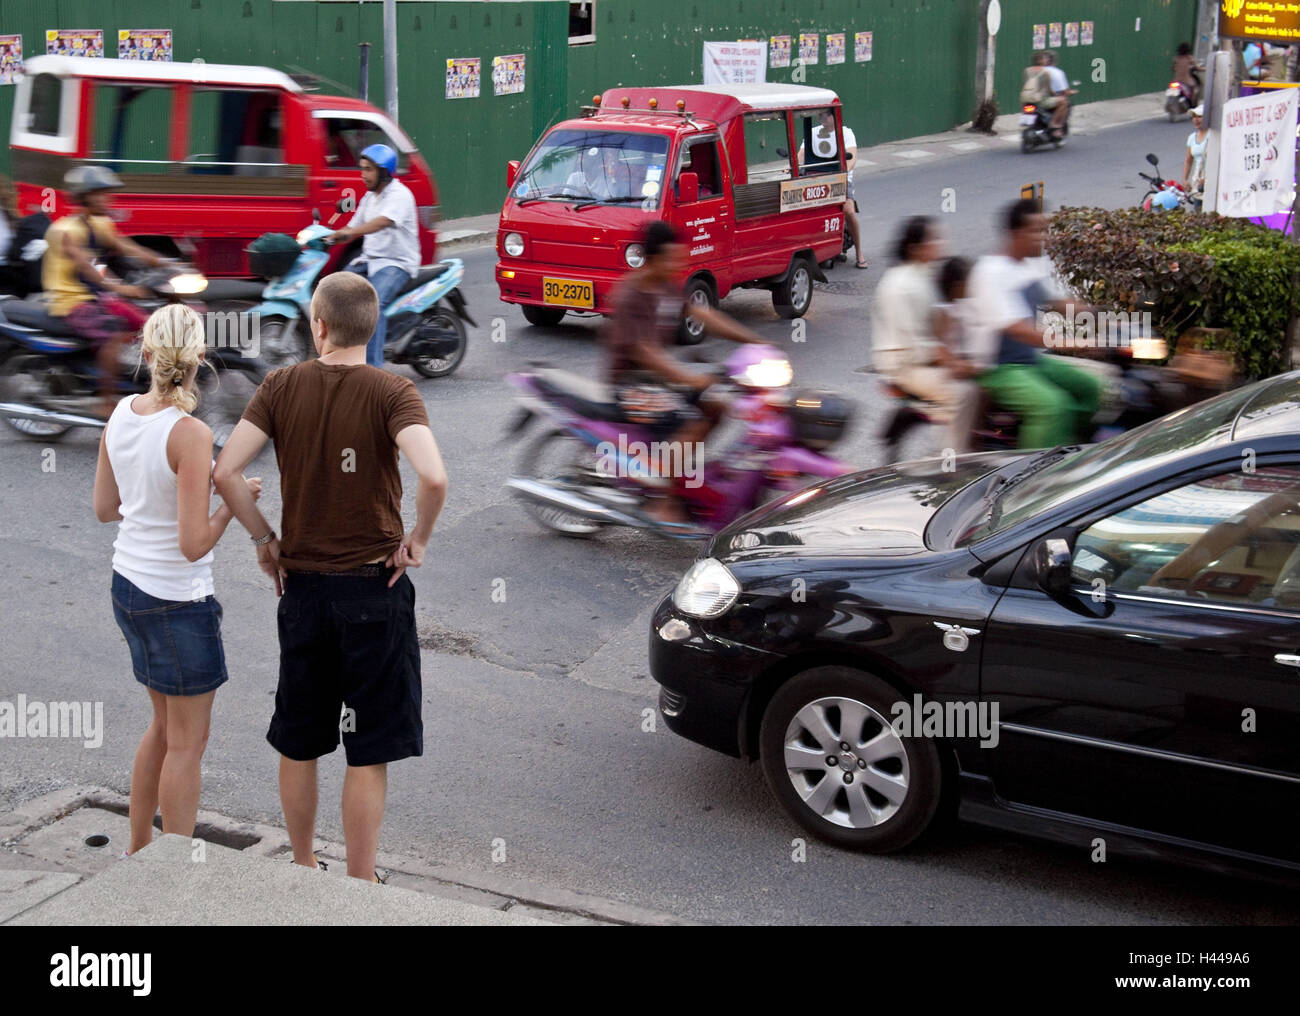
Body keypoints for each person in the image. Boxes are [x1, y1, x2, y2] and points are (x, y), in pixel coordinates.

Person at [212, 271, 448, 882]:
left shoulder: (281, 385)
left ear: (318, 325)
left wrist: (266, 541)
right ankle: (361, 881)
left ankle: (300, 862)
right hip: (376, 590)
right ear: (371, 328)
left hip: (305, 591)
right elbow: (434, 476)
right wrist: (417, 539)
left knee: (301, 737)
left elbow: (227, 472)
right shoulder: (394, 393)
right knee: (368, 748)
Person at [94, 305, 262, 857]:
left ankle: (140, 848)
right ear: (200, 359)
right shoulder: (188, 433)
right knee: (188, 744)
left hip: (128, 587)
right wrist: (233, 506)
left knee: (162, 729)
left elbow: (104, 507)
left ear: (145, 355)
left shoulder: (120, 413)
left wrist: (161, 501)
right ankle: (172, 872)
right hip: (175, 601)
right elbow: (192, 545)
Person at [603, 221, 768, 528]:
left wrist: (754, 341)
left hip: (658, 382)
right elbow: (644, 353)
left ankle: (677, 471)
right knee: (692, 423)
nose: (677, 265)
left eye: (680, 258)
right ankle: (663, 501)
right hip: (631, 386)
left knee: (717, 406)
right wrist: (689, 378)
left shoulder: (664, 285)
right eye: (671, 259)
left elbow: (702, 315)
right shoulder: (632, 295)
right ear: (651, 260)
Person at [965, 199, 1102, 450]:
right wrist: (1070, 343)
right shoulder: (990, 272)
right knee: (1053, 406)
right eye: (1035, 231)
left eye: (1044, 230)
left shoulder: (1030, 265)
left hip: (1031, 362)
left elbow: (1059, 302)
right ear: (1015, 233)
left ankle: (1071, 448)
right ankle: (1029, 473)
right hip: (999, 369)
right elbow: (1018, 329)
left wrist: (1102, 315)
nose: (1042, 237)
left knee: (1090, 388)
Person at [44, 166, 165, 416]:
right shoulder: (65, 230)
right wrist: (124, 288)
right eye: (99, 193)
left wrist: (166, 263)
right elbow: (90, 267)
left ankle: (141, 381)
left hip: (97, 296)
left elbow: (125, 245)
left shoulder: (100, 224)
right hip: (72, 300)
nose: (106, 199)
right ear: (83, 196)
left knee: (149, 323)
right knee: (113, 334)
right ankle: (106, 402)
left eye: (107, 193)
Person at [871, 217, 979, 454]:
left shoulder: (926, 275)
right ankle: (955, 462)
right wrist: (951, 362)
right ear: (915, 248)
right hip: (906, 365)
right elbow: (912, 344)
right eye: (934, 239)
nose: (941, 245)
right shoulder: (899, 285)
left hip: (930, 358)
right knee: (966, 393)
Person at [324, 143, 419, 369]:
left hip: (396, 264)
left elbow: (382, 222)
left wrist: (351, 232)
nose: (363, 175)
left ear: (384, 172)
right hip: (370, 261)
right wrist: (330, 236)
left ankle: (373, 368)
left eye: (369, 169)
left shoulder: (399, 195)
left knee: (372, 305)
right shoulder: (369, 197)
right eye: (362, 168)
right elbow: (353, 226)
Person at [799, 110, 867, 269]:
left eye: (825, 114)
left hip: (840, 178)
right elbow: (801, 154)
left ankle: (859, 253)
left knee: (848, 211)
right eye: (819, 115)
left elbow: (852, 155)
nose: (821, 118)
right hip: (816, 177)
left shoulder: (845, 132)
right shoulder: (813, 132)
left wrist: (844, 172)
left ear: (833, 116)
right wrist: (794, 166)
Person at [1042, 51, 1077, 135]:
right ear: (1054, 61)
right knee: (1065, 103)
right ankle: (1055, 126)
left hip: (1033, 99)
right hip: (1046, 100)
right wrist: (1071, 92)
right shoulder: (1057, 72)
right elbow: (1065, 91)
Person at [1182, 106, 1209, 209]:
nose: (1196, 120)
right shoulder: (1192, 138)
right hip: (1197, 183)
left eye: (1199, 116)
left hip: (1211, 181)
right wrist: (1185, 180)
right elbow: (1188, 160)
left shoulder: (1213, 135)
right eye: (1194, 117)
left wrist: (1208, 178)